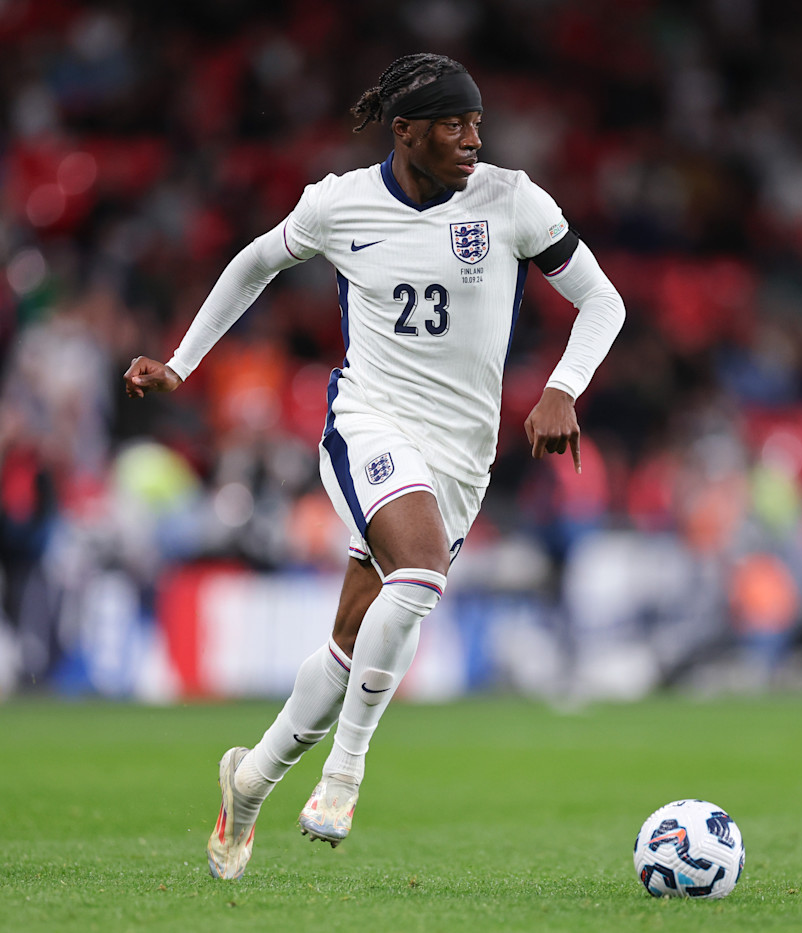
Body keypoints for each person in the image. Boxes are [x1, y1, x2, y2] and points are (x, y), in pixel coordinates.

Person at [123, 52, 625, 881]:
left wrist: (564, 387)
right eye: (452, 125)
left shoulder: (511, 200)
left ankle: (248, 782)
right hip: (369, 421)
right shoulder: (339, 203)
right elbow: (254, 262)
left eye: (476, 124)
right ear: (405, 131)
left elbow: (604, 299)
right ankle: (344, 776)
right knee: (421, 573)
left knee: (356, 639)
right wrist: (183, 361)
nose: (471, 139)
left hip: (461, 456)